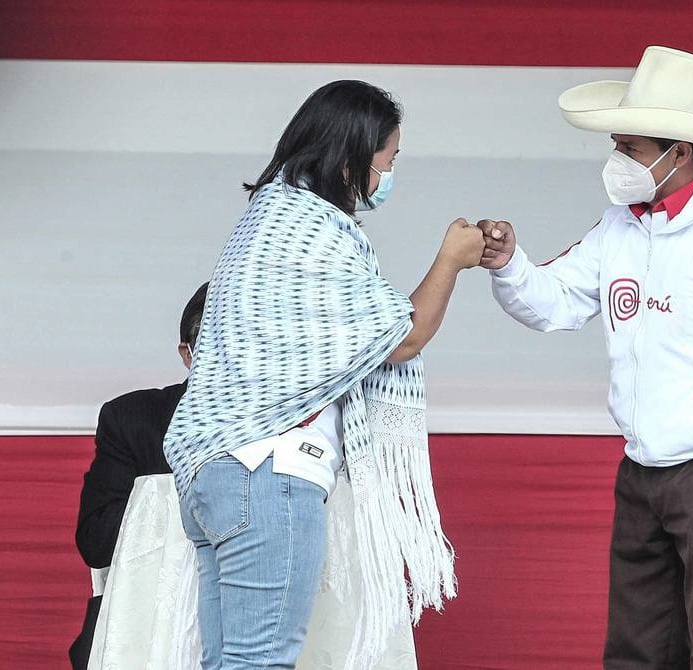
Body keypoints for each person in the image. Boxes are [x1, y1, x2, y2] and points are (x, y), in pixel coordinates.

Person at [478, 46, 693, 669]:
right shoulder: (620, 226)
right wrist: (510, 263)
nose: (617, 161)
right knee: (636, 651)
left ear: (678, 152)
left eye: (630, 148)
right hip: (643, 468)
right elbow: (554, 302)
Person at [163, 80, 482, 670]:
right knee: (260, 662)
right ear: (350, 161)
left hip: (215, 468)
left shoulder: (267, 219)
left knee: (228, 662)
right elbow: (402, 337)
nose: (390, 173)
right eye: (388, 159)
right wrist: (451, 261)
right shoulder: (309, 229)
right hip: (267, 469)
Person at [70, 282, 208, 669]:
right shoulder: (134, 420)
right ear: (187, 354)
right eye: (217, 341)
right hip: (147, 628)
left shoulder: (293, 425)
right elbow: (96, 542)